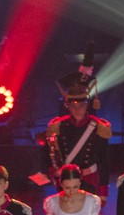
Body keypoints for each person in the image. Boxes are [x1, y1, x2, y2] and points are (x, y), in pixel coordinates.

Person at [39, 49, 112, 199]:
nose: (77, 110)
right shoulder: (58, 127)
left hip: (90, 181)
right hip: (66, 182)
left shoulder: (98, 127)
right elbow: (47, 155)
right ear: (68, 107)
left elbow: (104, 161)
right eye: (73, 106)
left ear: (87, 106)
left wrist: (103, 189)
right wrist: (53, 171)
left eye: (81, 106)